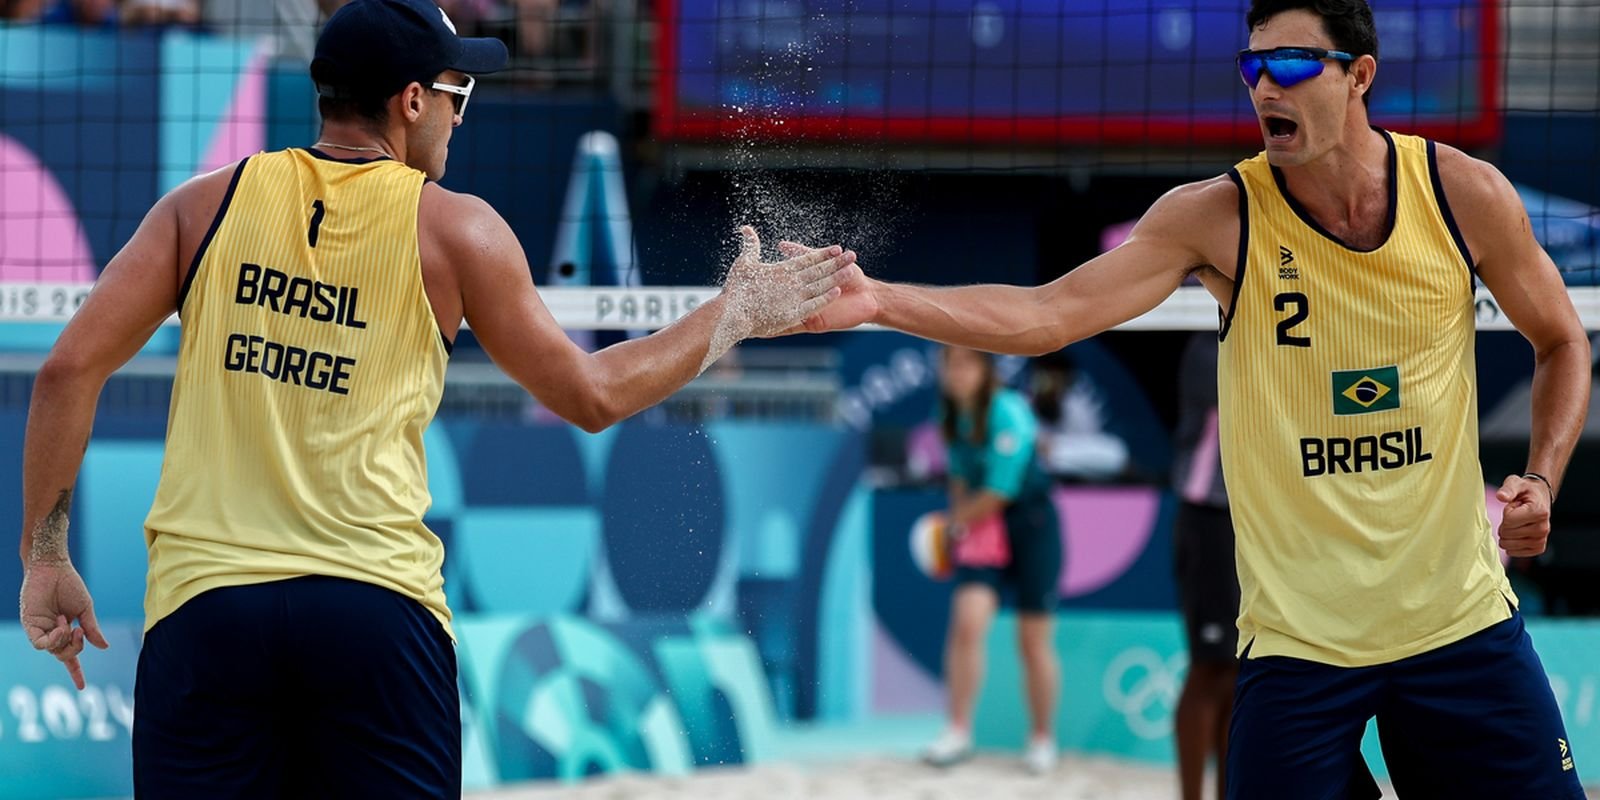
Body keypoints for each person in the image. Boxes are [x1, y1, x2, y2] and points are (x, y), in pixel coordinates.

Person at [16, 0, 856, 795]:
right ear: (411, 101)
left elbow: (66, 371)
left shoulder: (201, 206)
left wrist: (44, 557)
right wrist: (733, 315)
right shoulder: (457, 230)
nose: (460, 115)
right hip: (373, 609)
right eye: (458, 92)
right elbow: (594, 395)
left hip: (208, 610)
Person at [800, 0, 1592, 796]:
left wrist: (1542, 477)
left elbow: (1562, 340)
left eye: (1291, 64)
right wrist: (880, 301)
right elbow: (1047, 315)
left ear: (1359, 76)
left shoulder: (1461, 194)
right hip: (1300, 647)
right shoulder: (1218, 216)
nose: (1266, 87)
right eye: (1253, 67)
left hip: (1458, 625)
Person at [920, 346, 1062, 776]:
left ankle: (1042, 738)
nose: (956, 372)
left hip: (1031, 526)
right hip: (982, 527)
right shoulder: (949, 414)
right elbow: (960, 481)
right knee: (966, 625)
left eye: (966, 363)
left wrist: (947, 526)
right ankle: (958, 730)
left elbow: (999, 492)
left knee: (1032, 641)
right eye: (949, 364)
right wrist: (954, 533)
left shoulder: (1009, 412)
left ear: (986, 370)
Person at [1169, 331, 1238, 800]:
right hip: (1210, 513)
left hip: (1253, 516)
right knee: (1211, 668)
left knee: (1239, 674)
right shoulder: (1208, 342)